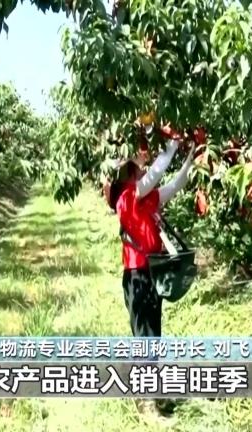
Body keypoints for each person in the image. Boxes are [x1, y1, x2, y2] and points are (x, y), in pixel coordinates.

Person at [107, 134, 195, 419]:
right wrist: (172, 146)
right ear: (129, 174)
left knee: (153, 337)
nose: (143, 170)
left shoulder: (145, 200)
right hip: (137, 277)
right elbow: (155, 175)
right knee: (145, 339)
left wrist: (192, 159)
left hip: (153, 274)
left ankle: (155, 394)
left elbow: (174, 185)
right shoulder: (126, 199)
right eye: (138, 168)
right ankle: (146, 402)